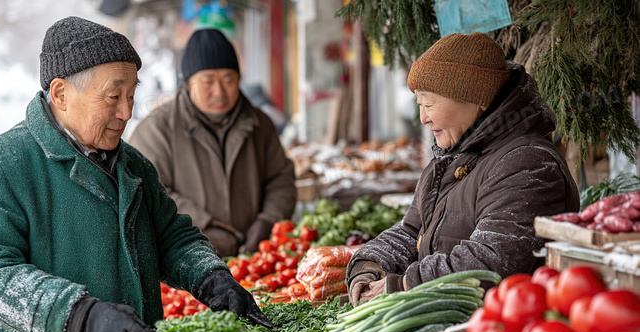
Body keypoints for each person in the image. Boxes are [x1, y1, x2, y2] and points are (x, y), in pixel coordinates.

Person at [0, 17, 271, 332]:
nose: (127, 111)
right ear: (61, 93)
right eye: (113, 96)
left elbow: (171, 235)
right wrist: (79, 315)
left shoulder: (133, 165)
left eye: (132, 94)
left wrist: (212, 278)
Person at [346, 32, 579, 305]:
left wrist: (403, 284)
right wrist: (370, 266)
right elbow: (410, 233)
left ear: (478, 98)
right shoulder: (449, 159)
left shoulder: (527, 163)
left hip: (501, 331)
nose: (423, 118)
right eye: (419, 104)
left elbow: (491, 261)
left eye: (430, 103)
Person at [130, 28, 296, 257]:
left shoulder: (259, 123)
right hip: (186, 264)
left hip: (255, 259)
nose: (219, 91)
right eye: (208, 81)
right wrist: (210, 228)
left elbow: (281, 178)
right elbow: (148, 193)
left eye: (228, 80)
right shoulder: (156, 130)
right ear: (187, 83)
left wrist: (268, 219)